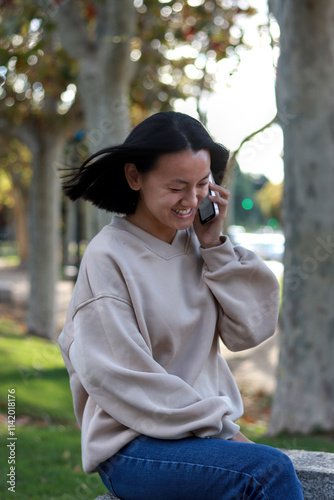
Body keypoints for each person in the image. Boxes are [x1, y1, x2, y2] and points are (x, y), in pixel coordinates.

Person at [58, 111, 303, 499]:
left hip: (196, 435)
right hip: (134, 447)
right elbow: (122, 378)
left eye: (202, 184)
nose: (192, 201)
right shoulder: (108, 257)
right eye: (177, 187)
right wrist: (224, 429)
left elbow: (250, 329)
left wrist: (215, 248)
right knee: (267, 473)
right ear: (134, 177)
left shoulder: (199, 244)